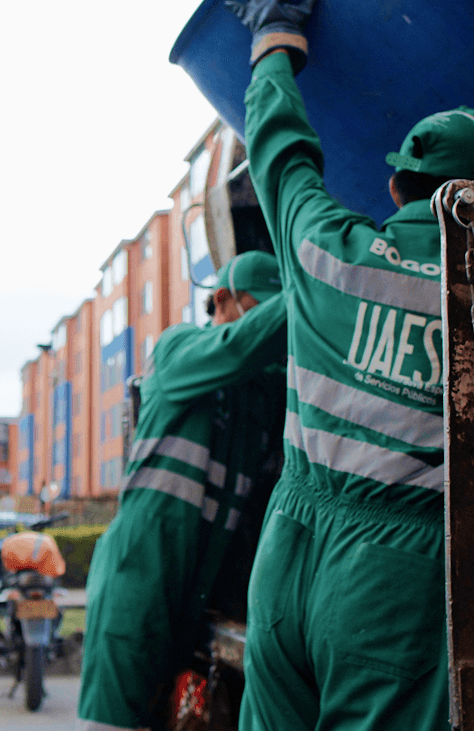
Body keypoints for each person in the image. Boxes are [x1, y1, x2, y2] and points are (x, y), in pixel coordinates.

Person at [226, 0, 474, 731]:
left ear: (395, 188)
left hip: (286, 550)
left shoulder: (324, 250)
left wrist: (274, 40)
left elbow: (280, 151)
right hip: (396, 578)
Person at [78, 250, 288, 731]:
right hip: (141, 577)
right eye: (262, 309)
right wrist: (319, 285)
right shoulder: (178, 349)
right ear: (221, 301)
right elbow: (238, 348)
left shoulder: (263, 392)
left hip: (201, 590)